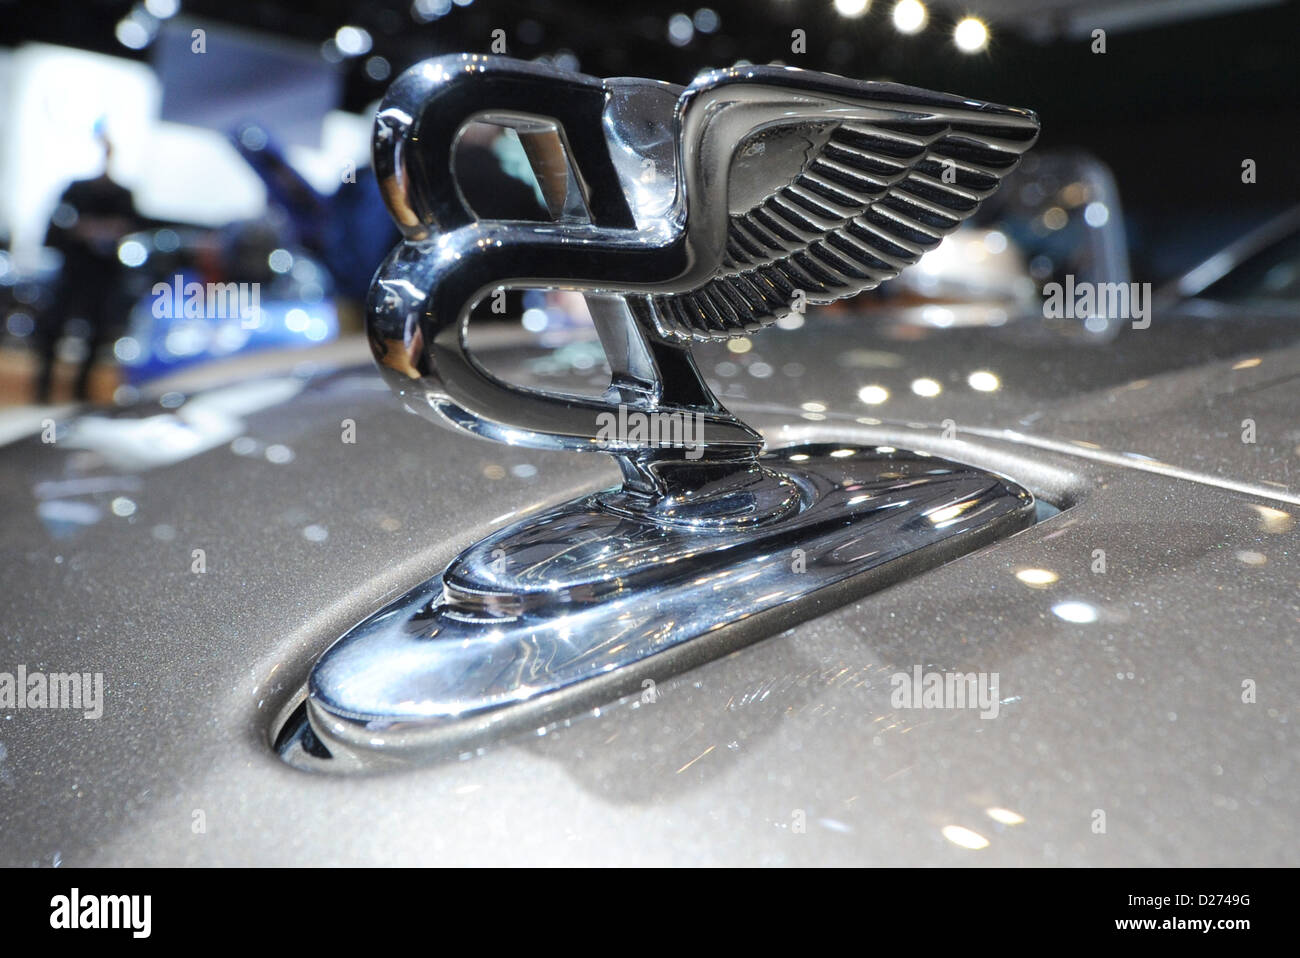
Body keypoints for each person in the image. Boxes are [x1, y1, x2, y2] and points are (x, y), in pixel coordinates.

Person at [35, 128, 137, 402]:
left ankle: (79, 391)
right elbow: (59, 224)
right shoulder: (76, 189)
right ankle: (43, 389)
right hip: (74, 270)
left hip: (103, 275)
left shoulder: (123, 195)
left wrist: (98, 230)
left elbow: (127, 229)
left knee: (97, 333)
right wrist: (84, 230)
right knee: (54, 328)